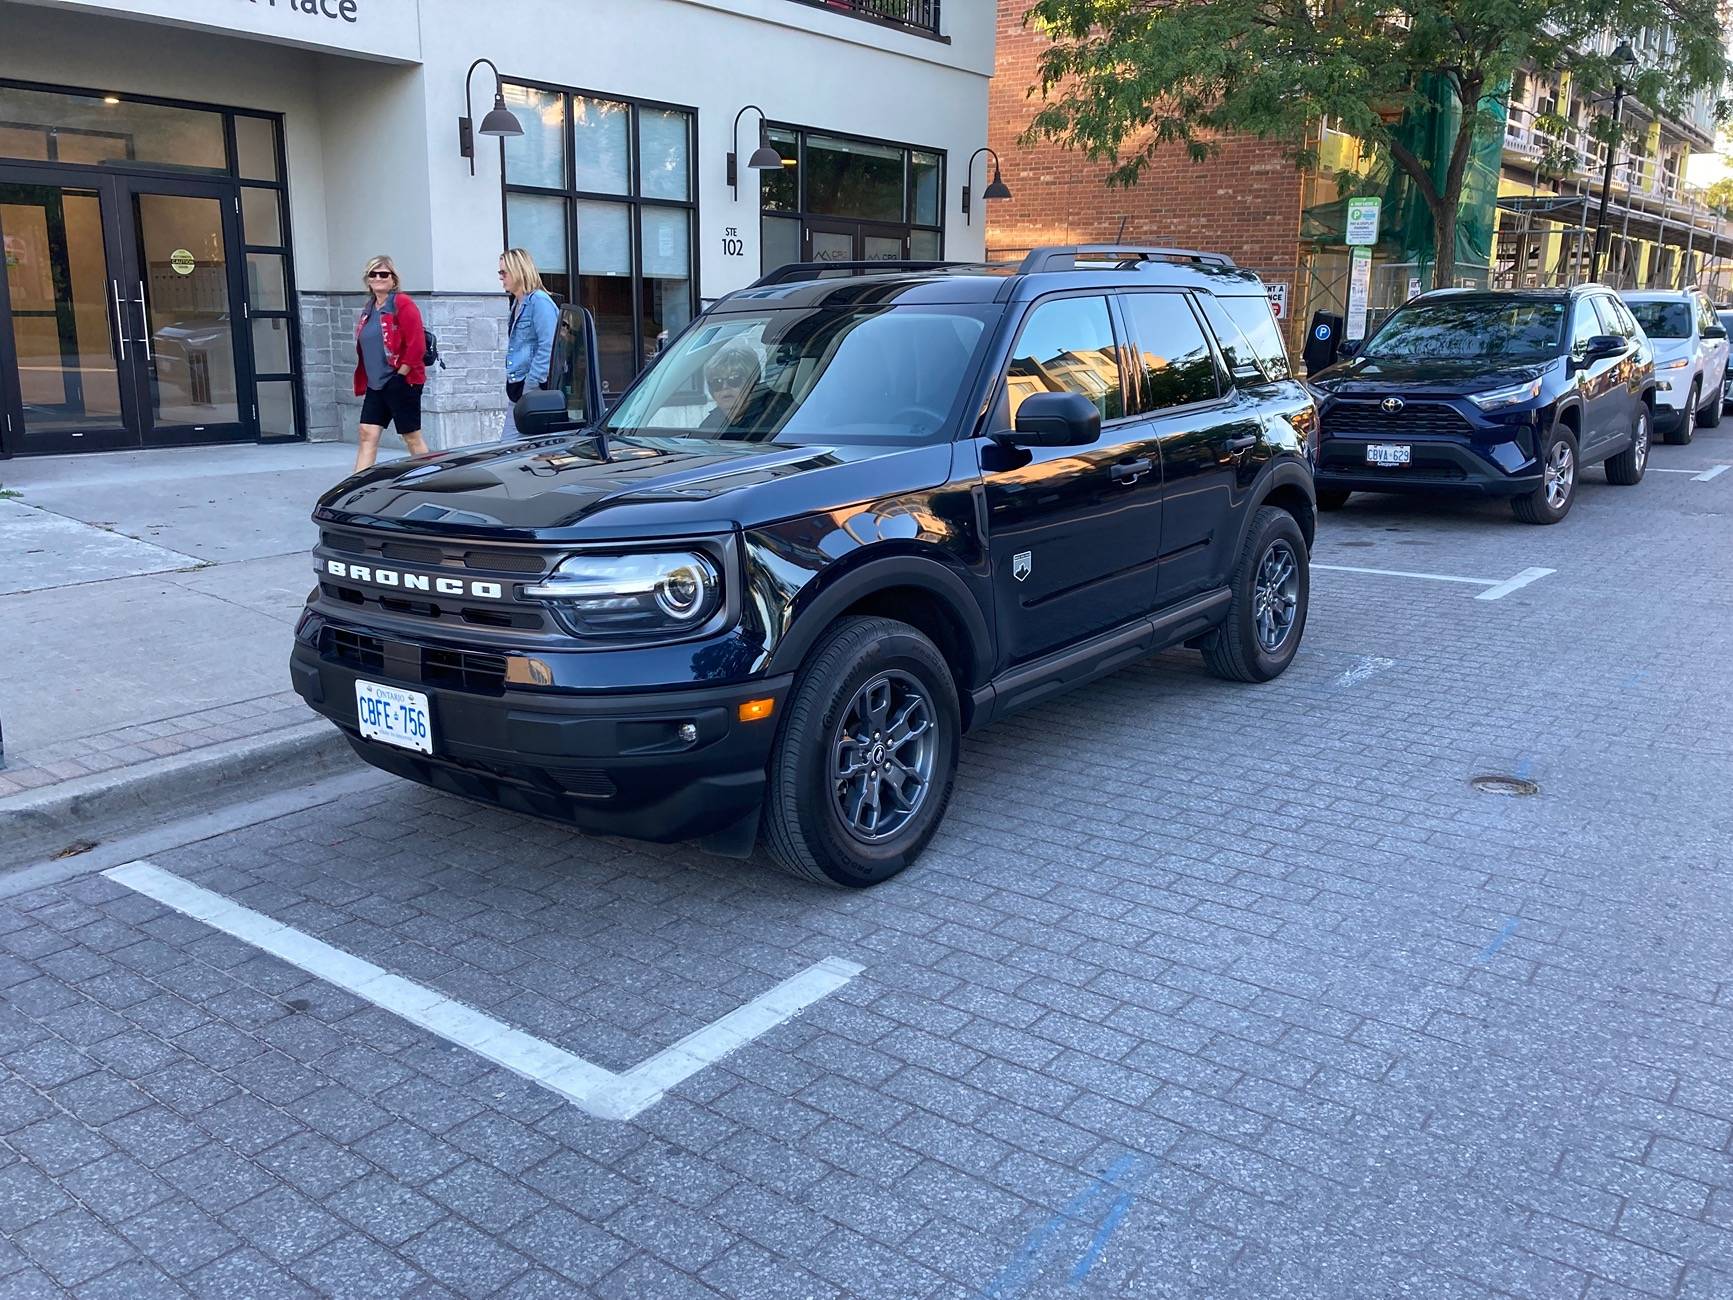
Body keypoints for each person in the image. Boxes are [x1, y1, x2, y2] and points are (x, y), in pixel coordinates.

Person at [352, 255, 429, 473]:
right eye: (373, 274)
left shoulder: (402, 303)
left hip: (402, 381)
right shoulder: (369, 309)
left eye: (383, 274)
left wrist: (401, 375)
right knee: (367, 433)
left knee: (411, 436)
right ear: (367, 280)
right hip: (376, 384)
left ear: (393, 280)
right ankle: (355, 489)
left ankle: (430, 479)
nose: (378, 278)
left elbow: (417, 345)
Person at [500, 248, 560, 438]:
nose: (501, 277)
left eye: (504, 272)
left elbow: (549, 345)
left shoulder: (539, 302)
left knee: (515, 449)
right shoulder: (518, 303)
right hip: (517, 388)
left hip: (532, 390)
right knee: (510, 450)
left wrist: (531, 384)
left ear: (518, 271)